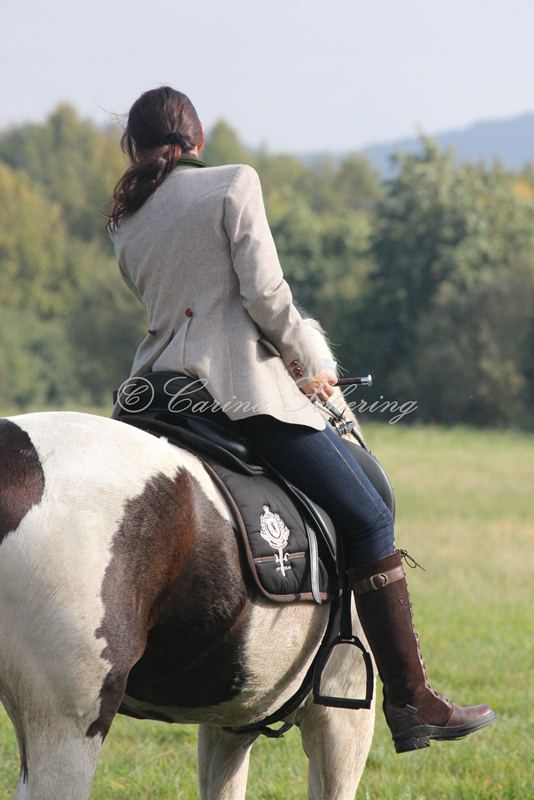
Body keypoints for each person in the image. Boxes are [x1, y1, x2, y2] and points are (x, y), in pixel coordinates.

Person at [107, 86, 496, 753]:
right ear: (198, 139)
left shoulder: (126, 218)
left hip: (152, 396)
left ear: (136, 148)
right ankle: (412, 698)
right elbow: (265, 295)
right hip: (232, 391)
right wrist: (306, 361)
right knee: (368, 515)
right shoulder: (234, 182)